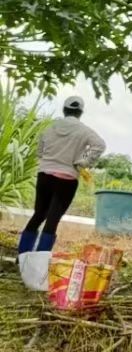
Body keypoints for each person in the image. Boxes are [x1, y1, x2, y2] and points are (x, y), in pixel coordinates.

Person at [18, 95, 106, 255]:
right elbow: (99, 145)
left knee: (39, 215)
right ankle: (40, 259)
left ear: (64, 110)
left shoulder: (50, 128)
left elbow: (40, 152)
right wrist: (82, 162)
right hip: (67, 180)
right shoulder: (84, 130)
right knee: (52, 220)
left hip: (45, 176)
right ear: (80, 113)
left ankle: (23, 256)